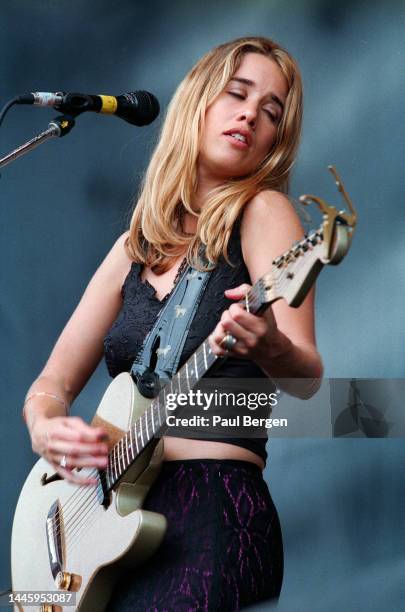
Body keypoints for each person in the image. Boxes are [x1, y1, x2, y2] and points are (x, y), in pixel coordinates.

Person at [23, 36, 323, 610]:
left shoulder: (265, 212)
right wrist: (45, 427)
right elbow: (51, 385)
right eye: (237, 94)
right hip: (104, 524)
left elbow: (307, 377)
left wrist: (271, 347)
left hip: (210, 508)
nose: (251, 116)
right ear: (198, 103)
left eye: (271, 113)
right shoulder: (132, 248)